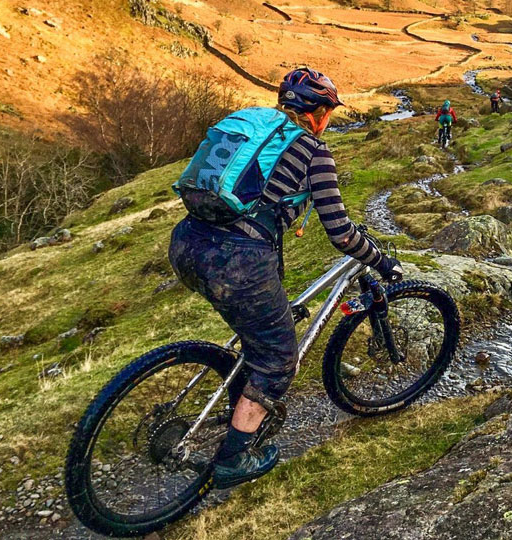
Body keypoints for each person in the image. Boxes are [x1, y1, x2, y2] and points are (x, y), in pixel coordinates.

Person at [168, 67, 403, 489]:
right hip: (237, 262)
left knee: (258, 327)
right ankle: (233, 459)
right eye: (328, 109)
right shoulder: (313, 151)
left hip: (188, 242)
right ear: (319, 112)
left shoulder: (258, 126)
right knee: (278, 360)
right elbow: (341, 233)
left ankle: (239, 396)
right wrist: (381, 261)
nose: (328, 117)